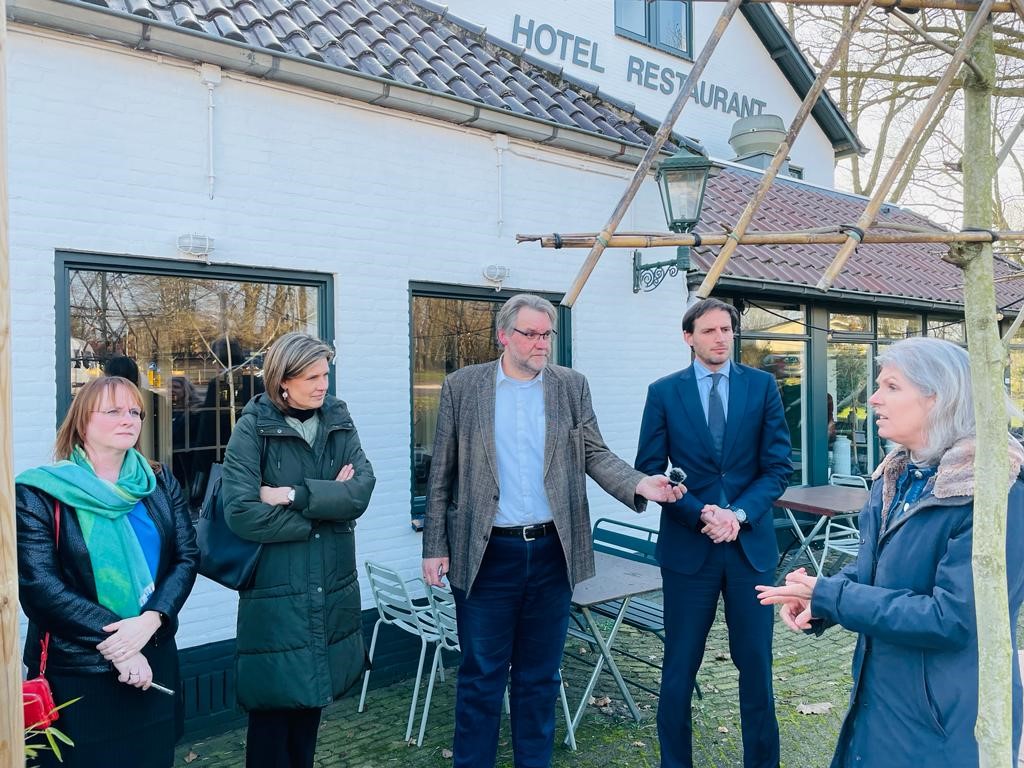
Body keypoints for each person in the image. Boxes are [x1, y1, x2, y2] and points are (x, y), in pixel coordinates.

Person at [421, 293, 684, 768]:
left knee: (540, 678)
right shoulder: (464, 387)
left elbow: (594, 453)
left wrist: (640, 483)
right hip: (485, 555)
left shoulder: (570, 386)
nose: (542, 343)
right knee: (481, 678)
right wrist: (434, 546)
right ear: (504, 336)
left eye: (548, 334)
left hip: (551, 553)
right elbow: (442, 472)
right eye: (531, 334)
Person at [757, 337, 1024, 768]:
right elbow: (874, 571)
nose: (873, 398)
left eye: (892, 386)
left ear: (939, 398)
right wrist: (818, 599)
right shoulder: (897, 478)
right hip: (880, 705)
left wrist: (832, 596)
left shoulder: (995, 494)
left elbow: (952, 619)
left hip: (946, 725)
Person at [635, 297, 792, 768]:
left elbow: (777, 469)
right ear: (689, 338)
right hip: (689, 550)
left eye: (726, 329)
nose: (720, 338)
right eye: (709, 331)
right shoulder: (664, 392)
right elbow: (650, 471)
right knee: (679, 668)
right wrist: (702, 514)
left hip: (750, 549)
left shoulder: (762, 386)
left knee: (757, 667)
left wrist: (736, 515)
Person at [16, 375, 199, 767]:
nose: (128, 419)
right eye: (113, 411)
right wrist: (121, 645)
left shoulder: (158, 482)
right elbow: (40, 587)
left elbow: (186, 557)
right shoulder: (39, 493)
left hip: (153, 654)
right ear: (82, 422)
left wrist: (152, 619)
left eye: (135, 411)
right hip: (80, 672)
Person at [221, 331, 376, 768]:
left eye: (325, 374)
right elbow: (241, 512)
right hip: (277, 595)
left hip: (329, 590)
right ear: (283, 381)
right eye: (312, 377)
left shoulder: (338, 419)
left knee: (309, 714)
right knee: (272, 722)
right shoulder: (253, 428)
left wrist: (291, 494)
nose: (323, 385)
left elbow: (361, 491)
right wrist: (326, 511)